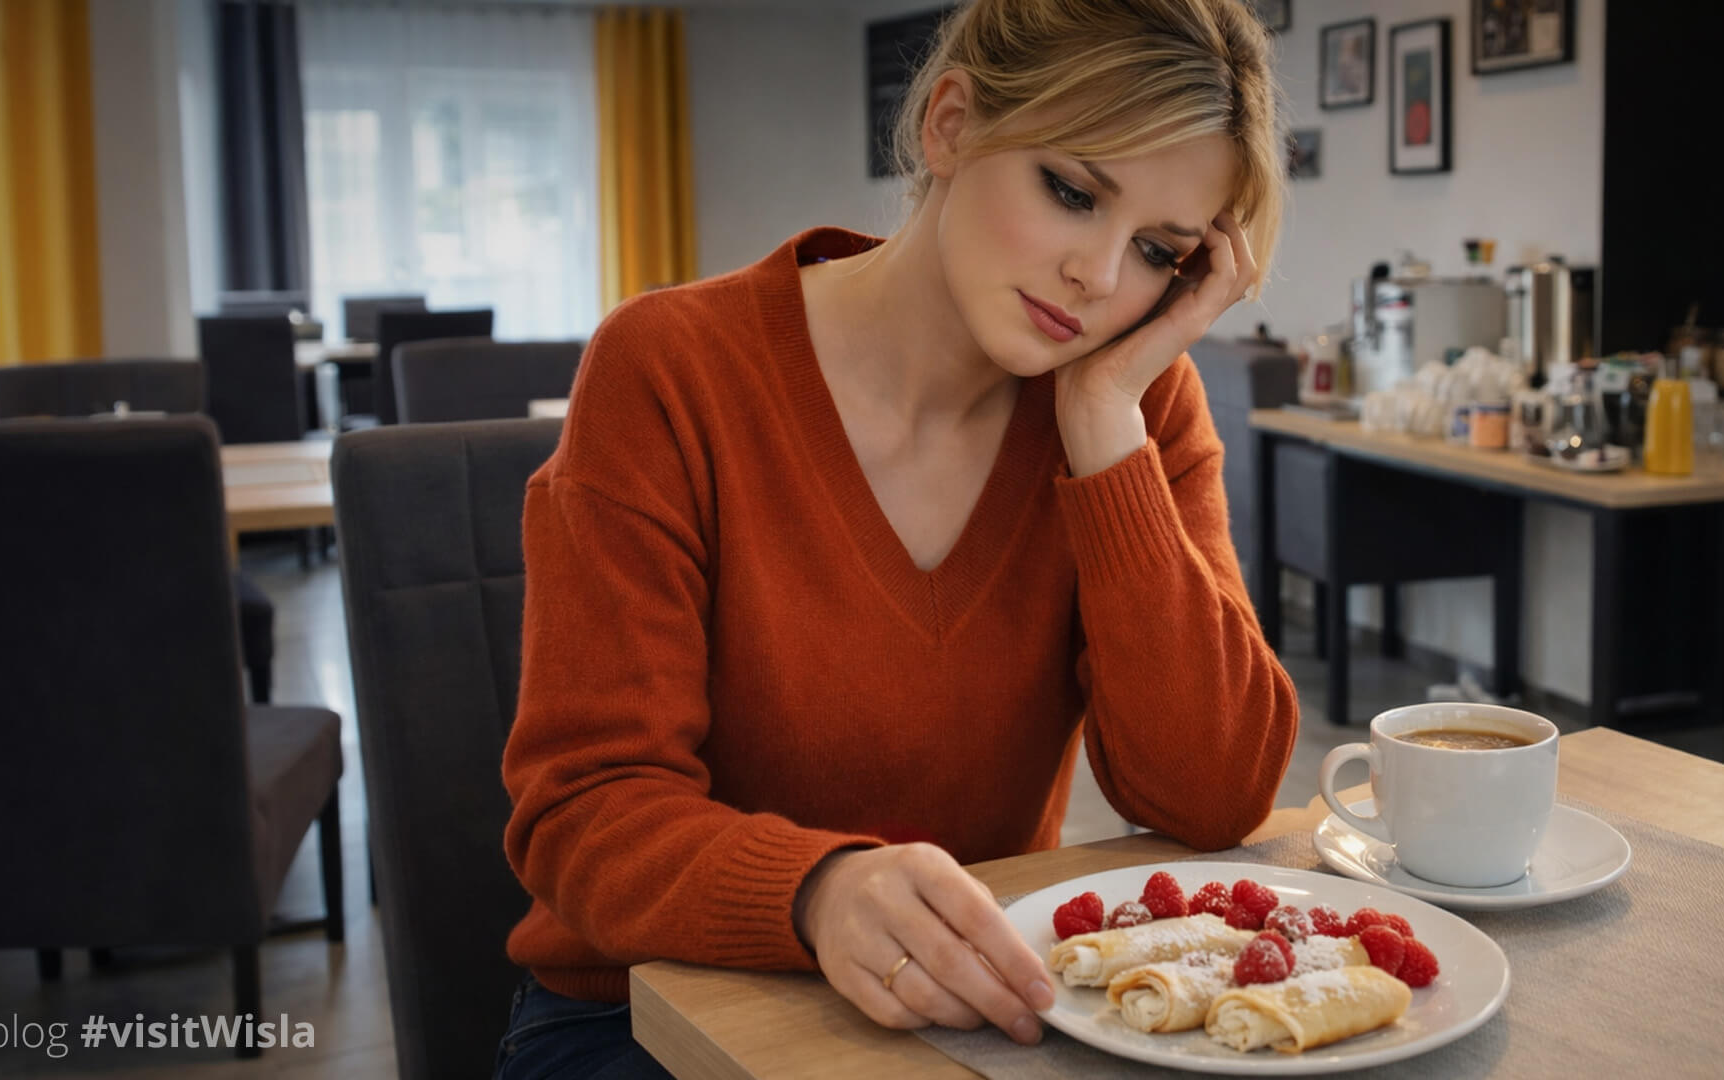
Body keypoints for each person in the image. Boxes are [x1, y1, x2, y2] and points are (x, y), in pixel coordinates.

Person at [492, 0, 1298, 1076]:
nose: (1101, 280)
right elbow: (582, 813)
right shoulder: (670, 371)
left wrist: (1104, 428)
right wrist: (816, 889)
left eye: (1158, 251)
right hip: (644, 1012)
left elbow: (1214, 791)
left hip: (968, 1008)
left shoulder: (1138, 408)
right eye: (1070, 192)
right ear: (952, 123)